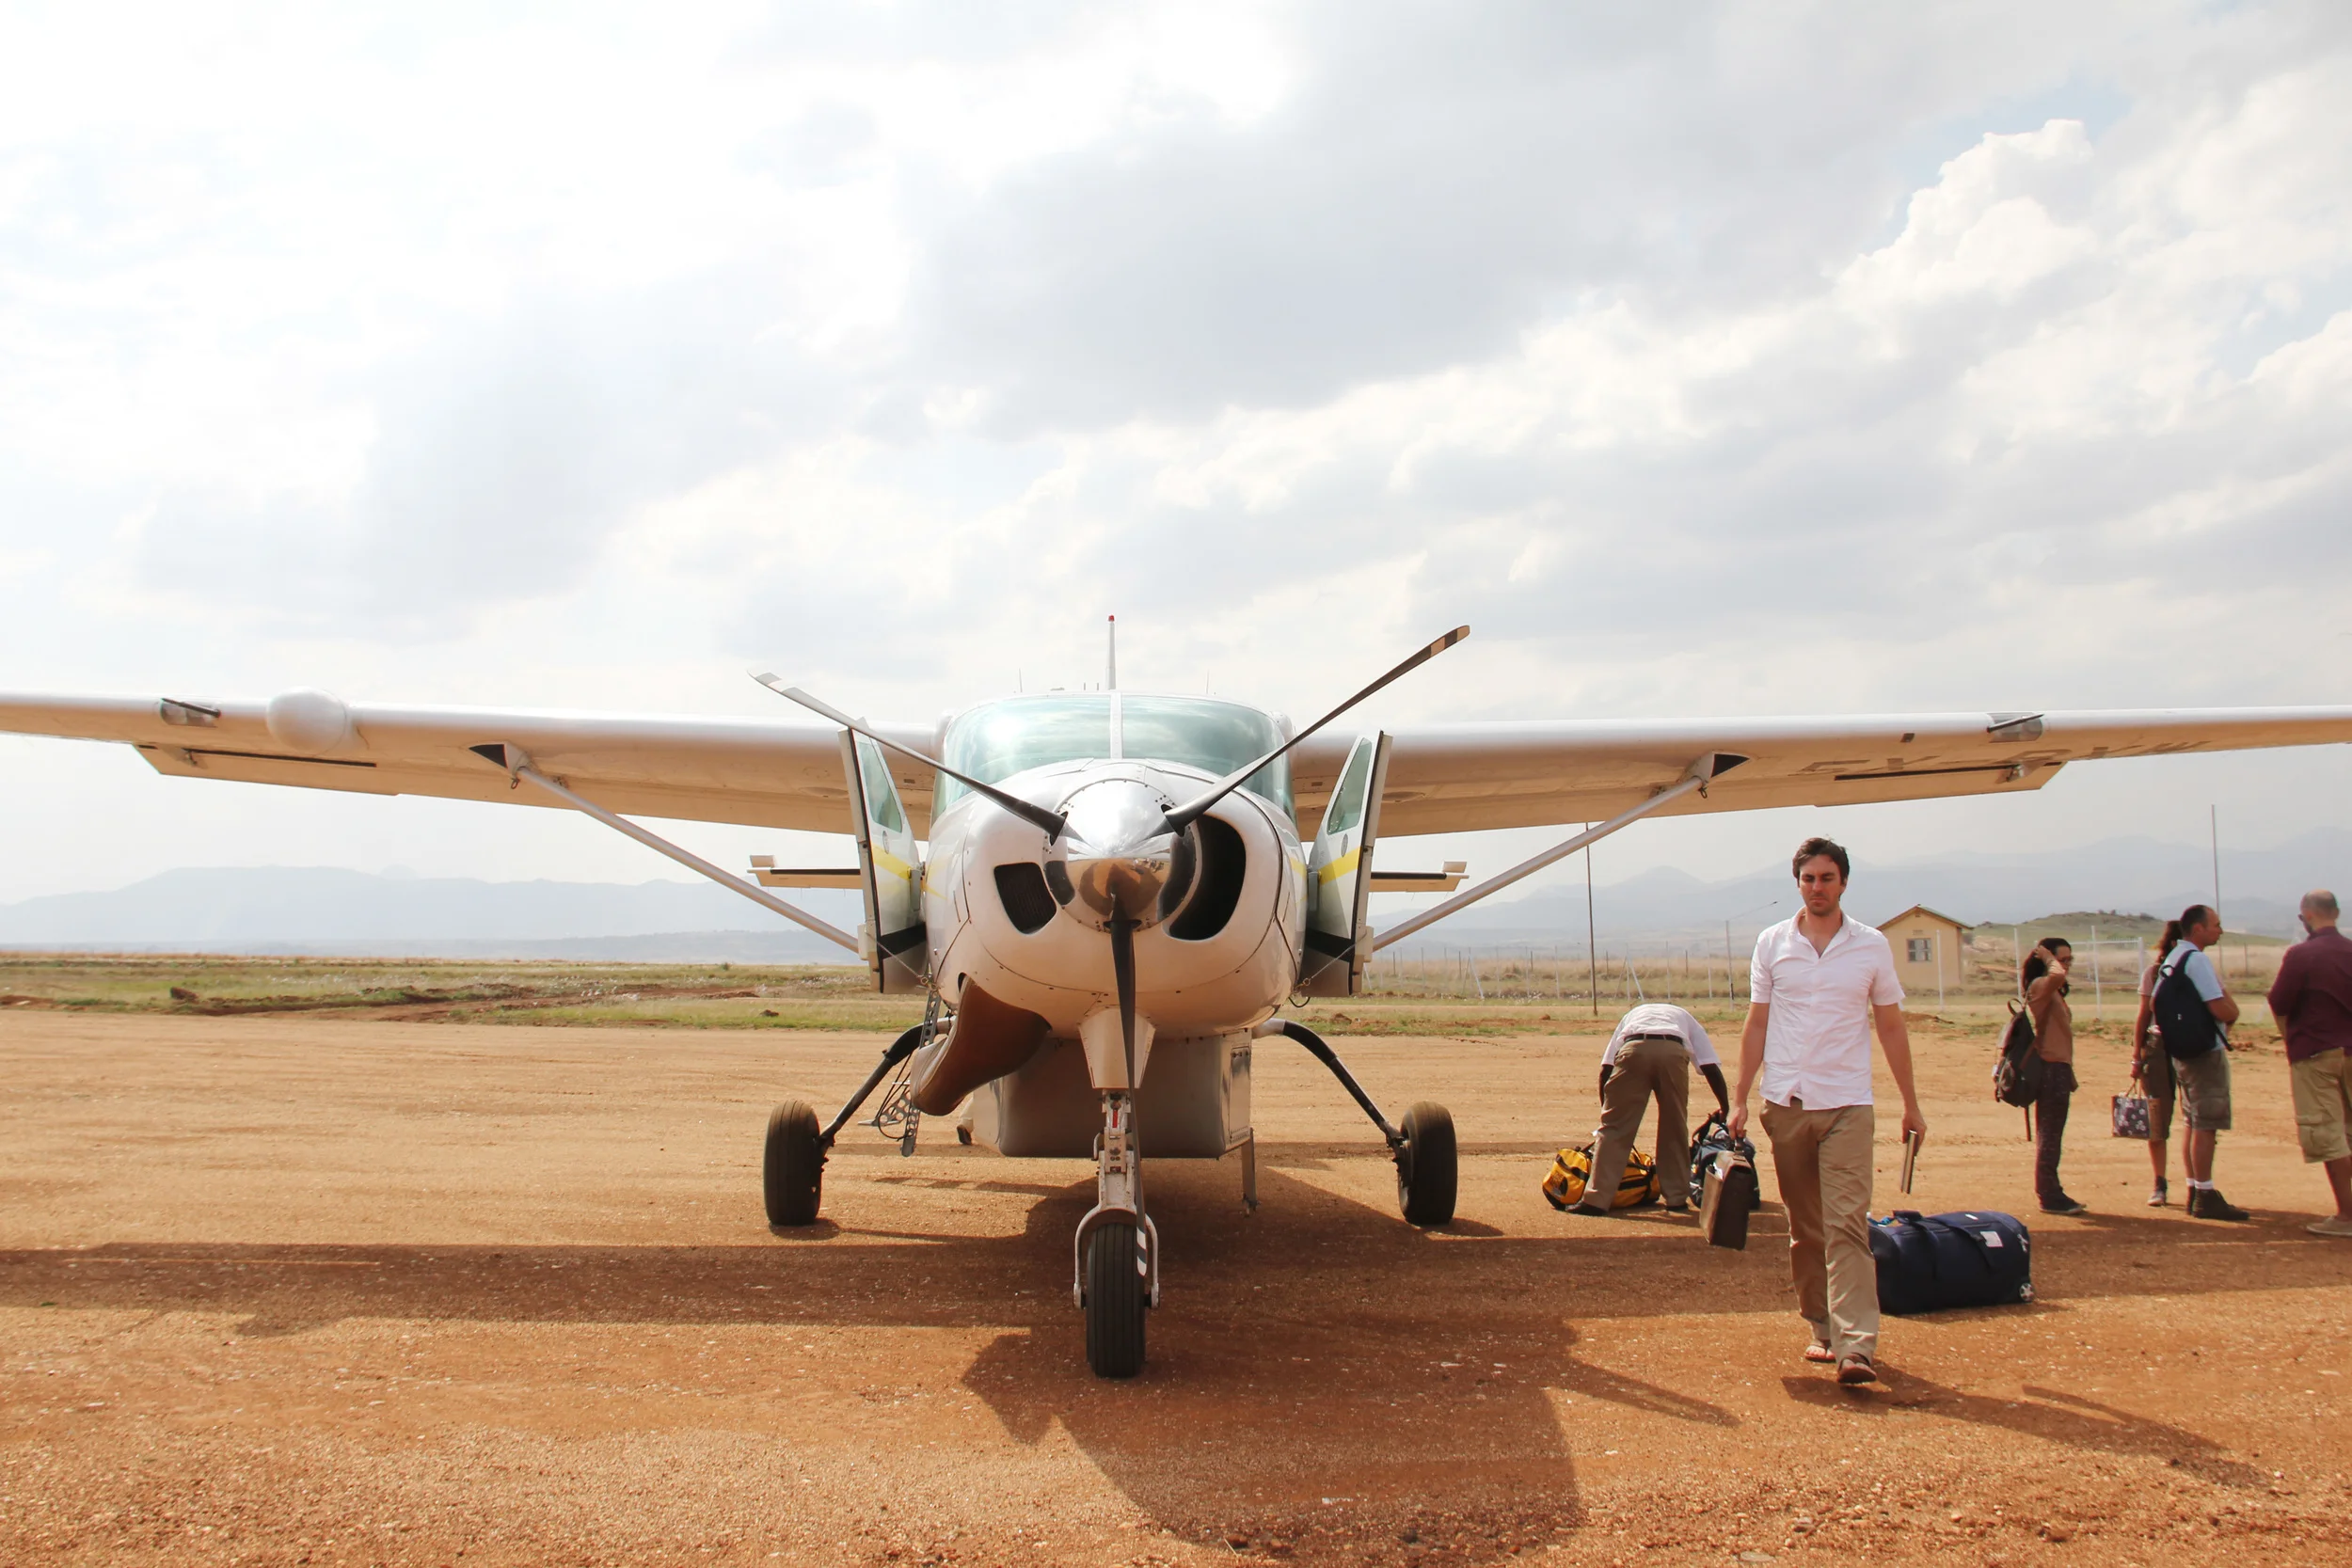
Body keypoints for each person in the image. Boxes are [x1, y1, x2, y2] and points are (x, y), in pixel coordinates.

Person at [1729, 836, 1927, 1387]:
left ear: (1844, 883)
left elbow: (1889, 1023)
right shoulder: (1772, 944)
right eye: (1809, 878)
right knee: (1807, 1227)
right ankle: (1821, 1326)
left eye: (1827, 878)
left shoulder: (1871, 947)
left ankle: (1856, 1346)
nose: (1818, 887)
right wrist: (1740, 1097)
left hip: (1848, 1105)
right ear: (1798, 883)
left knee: (1847, 1225)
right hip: (1787, 1104)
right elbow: (1758, 1023)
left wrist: (1910, 1103)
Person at [1575, 1002, 1730, 1217]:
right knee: (1674, 1127)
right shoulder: (1686, 1018)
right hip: (1673, 1051)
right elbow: (1710, 1066)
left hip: (1633, 1047)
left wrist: (1609, 1112)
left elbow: (1606, 1069)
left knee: (1613, 1132)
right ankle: (1676, 1199)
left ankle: (1596, 1200)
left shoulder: (1631, 1016)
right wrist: (1725, 1106)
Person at [2265, 890, 2352, 1237]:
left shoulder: (2301, 955)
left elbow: (2280, 1001)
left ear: (2307, 917)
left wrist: (2290, 1038)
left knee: (2328, 1134)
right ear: (2337, 913)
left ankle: (2346, 1215)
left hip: (2316, 1052)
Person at [2155, 903, 2247, 1222]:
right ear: (2198, 929)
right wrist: (2234, 1013)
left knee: (2192, 1122)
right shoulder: (2197, 960)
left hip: (2182, 1052)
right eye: (2216, 925)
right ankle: (2205, 1194)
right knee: (2207, 1123)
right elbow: (2219, 1006)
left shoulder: (2172, 959)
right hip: (2205, 1053)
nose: (2219, 931)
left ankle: (2195, 1187)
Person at [2022, 938, 2085, 1214]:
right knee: (2049, 1135)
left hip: (2058, 1068)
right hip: (2050, 1069)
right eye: (2063, 959)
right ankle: (2049, 1194)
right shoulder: (2041, 986)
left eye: (2069, 960)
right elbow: (2056, 975)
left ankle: (2051, 1190)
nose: (2066, 966)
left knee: (2052, 1134)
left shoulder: (2052, 990)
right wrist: (2049, 958)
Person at [2131, 920, 2184, 1207]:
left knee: (2192, 1119)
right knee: (2156, 1117)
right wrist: (2136, 1055)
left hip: (2182, 1046)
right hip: (2159, 1046)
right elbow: (2143, 1015)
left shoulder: (2195, 970)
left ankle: (2194, 1182)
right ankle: (2160, 1182)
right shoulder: (2155, 973)